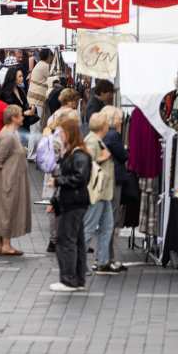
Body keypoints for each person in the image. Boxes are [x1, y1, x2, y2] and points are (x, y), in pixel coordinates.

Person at [48, 112, 92, 292]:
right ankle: (77, 279)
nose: (60, 136)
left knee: (66, 240)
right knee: (77, 241)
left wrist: (58, 181)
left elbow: (79, 177)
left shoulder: (78, 154)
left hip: (74, 201)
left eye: (63, 133)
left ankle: (69, 279)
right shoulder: (75, 153)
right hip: (75, 200)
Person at [0, 105, 32, 256]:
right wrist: (0, 171)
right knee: (7, 209)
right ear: (13, 117)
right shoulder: (8, 135)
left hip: (10, 176)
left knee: (3, 209)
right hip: (8, 178)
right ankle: (5, 245)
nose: (22, 117)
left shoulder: (11, 133)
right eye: (20, 115)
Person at [81, 112, 119, 275]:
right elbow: (86, 162)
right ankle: (79, 263)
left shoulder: (96, 140)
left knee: (107, 226)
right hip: (96, 191)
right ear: (103, 126)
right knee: (89, 227)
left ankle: (103, 261)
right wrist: (102, 158)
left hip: (103, 192)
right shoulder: (92, 140)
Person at [99, 105, 129, 271]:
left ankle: (107, 256)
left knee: (108, 218)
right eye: (119, 118)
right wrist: (127, 149)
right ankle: (106, 257)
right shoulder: (113, 135)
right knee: (110, 219)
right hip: (113, 179)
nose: (121, 121)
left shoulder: (104, 135)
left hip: (108, 179)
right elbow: (123, 156)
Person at [0, 66, 39, 148]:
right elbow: (6, 111)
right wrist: (23, 113)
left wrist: (31, 107)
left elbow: (25, 104)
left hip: (23, 124)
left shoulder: (20, 89)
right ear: (13, 78)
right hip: (13, 127)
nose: (22, 78)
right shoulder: (4, 93)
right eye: (19, 76)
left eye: (22, 76)